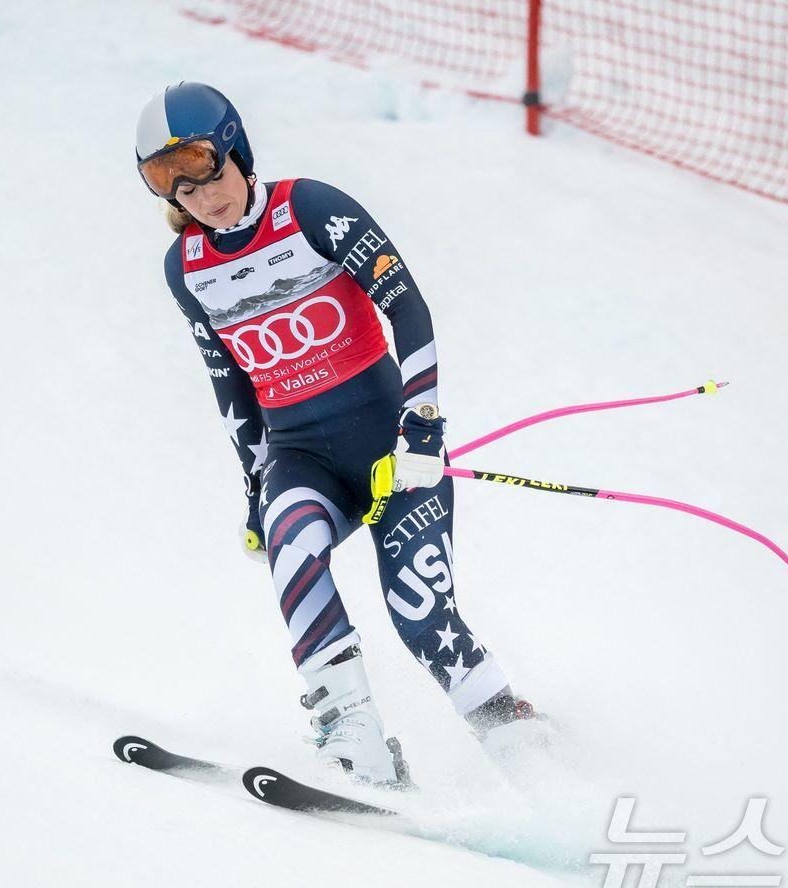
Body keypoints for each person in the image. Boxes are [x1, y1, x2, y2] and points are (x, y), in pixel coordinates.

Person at [137, 82, 539, 785]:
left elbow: (407, 309)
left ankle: (521, 743)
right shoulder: (187, 270)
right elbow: (231, 385)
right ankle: (356, 739)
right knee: (289, 544)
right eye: (177, 186)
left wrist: (422, 427)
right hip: (302, 460)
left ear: (237, 151)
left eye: (206, 169)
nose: (201, 197)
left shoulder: (311, 208)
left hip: (393, 451)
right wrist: (255, 487)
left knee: (420, 616)